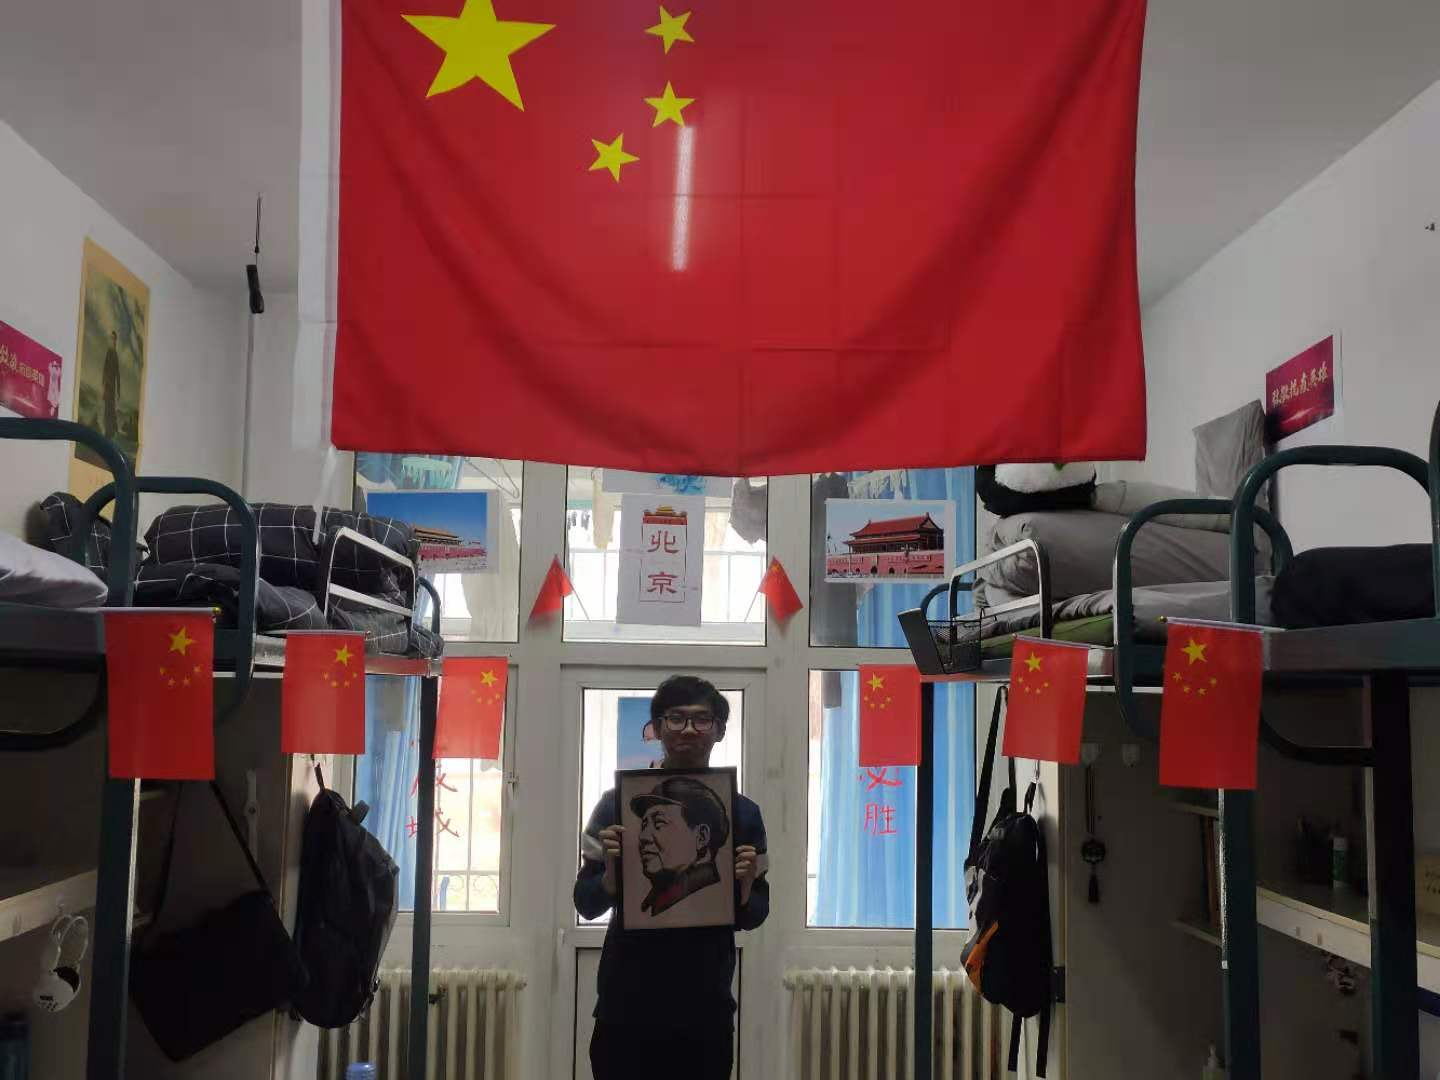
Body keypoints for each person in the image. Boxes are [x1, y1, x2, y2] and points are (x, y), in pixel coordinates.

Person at [575, 675, 769, 1080]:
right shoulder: (615, 804)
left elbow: (754, 915)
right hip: (625, 1007)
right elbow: (586, 903)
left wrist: (745, 887)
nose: (688, 730)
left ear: (719, 730)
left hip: (704, 1010)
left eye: (702, 720)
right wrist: (610, 880)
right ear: (657, 728)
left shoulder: (743, 813)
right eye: (676, 718)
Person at [632, 775, 730, 916]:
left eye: (659, 823)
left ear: (701, 836)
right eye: (644, 825)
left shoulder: (712, 897)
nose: (643, 837)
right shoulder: (658, 902)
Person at [100, 329, 120, 439]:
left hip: (113, 388)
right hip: (108, 386)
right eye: (111, 338)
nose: (112, 340)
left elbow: (117, 373)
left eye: (114, 338)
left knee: (111, 408)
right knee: (107, 409)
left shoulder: (115, 354)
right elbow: (105, 370)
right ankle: (107, 432)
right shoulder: (109, 352)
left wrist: (118, 390)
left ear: (116, 340)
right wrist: (103, 387)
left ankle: (111, 432)